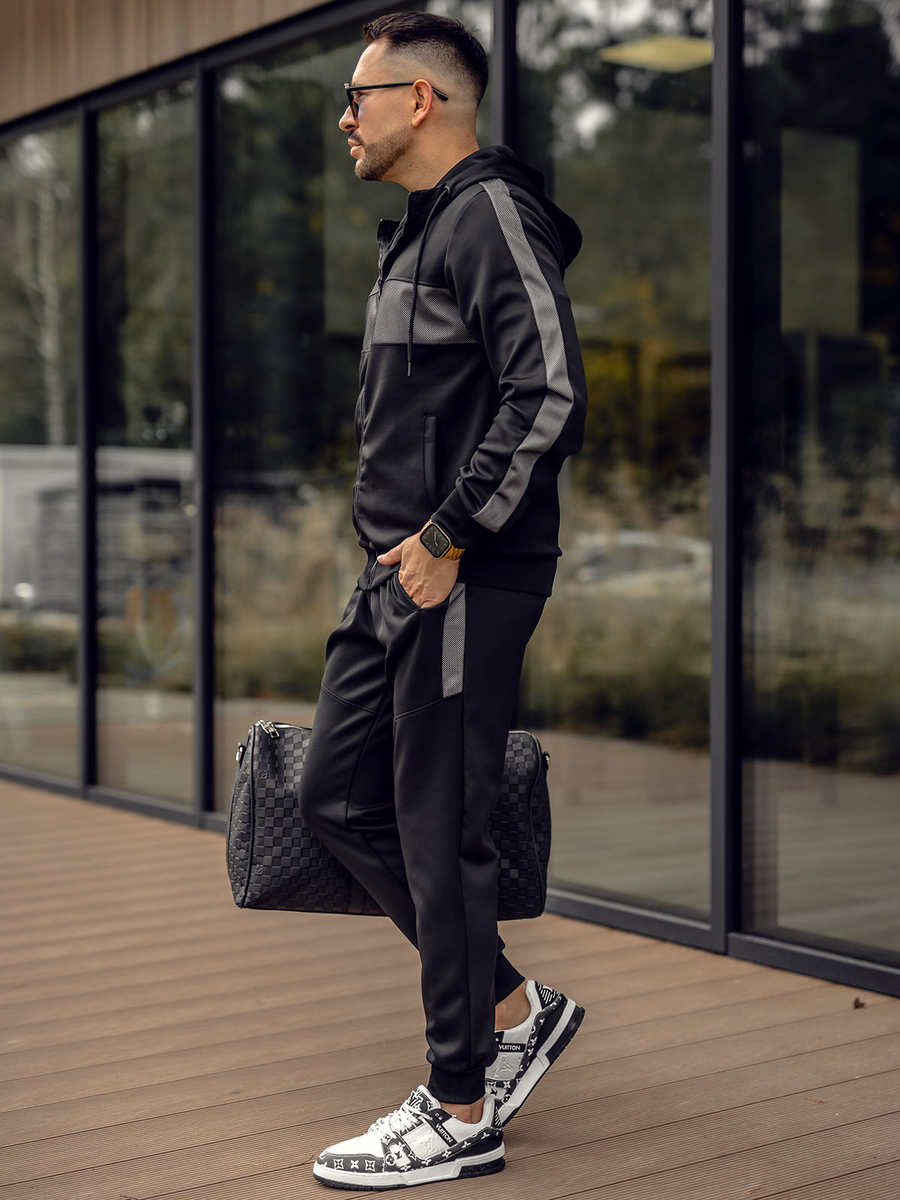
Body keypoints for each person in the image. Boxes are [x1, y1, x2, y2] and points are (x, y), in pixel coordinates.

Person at [298, 12, 588, 1191]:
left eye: (357, 95)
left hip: (460, 570)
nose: (344, 118)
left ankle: (461, 1108)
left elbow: (548, 391)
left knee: (438, 830)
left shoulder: (490, 211)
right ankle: (513, 1005)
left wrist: (448, 534)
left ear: (421, 100)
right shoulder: (419, 229)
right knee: (332, 799)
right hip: (397, 573)